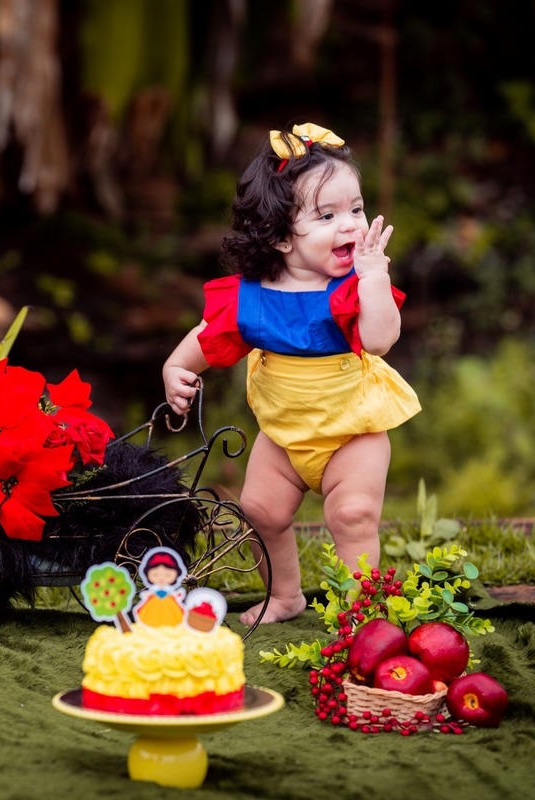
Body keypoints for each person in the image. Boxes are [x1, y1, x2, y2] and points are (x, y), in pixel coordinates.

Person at [162, 122, 420, 625]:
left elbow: (380, 339)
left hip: (354, 431)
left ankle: (359, 615)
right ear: (280, 236)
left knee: (351, 516)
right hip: (283, 437)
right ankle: (285, 595)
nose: (349, 225)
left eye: (356, 209)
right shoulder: (252, 299)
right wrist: (176, 366)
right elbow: (208, 334)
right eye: (327, 215)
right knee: (261, 512)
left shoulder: (353, 287)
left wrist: (374, 279)